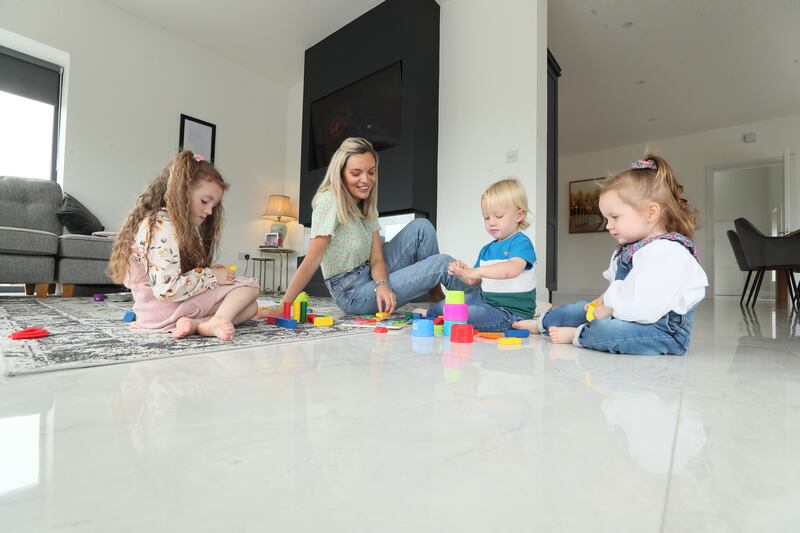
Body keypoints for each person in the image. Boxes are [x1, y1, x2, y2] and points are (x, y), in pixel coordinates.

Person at [513, 154, 708, 355]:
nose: (608, 225)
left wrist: (609, 310)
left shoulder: (668, 252)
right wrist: (600, 301)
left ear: (651, 213)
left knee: (607, 329)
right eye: (607, 218)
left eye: (615, 217)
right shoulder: (630, 249)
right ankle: (542, 324)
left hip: (663, 331)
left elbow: (646, 309)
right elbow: (619, 288)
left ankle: (577, 335)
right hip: (626, 313)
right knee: (580, 308)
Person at [280, 137, 462, 315]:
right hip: (350, 293)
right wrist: (283, 306)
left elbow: (377, 259)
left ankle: (437, 300)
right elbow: (312, 260)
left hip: (369, 273)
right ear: (340, 172)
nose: (365, 180)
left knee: (422, 227)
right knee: (442, 263)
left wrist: (382, 285)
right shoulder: (330, 200)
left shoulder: (366, 205)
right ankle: (476, 306)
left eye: (371, 172)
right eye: (356, 173)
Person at [108, 150, 260, 341]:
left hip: (152, 312)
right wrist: (212, 276)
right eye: (205, 201)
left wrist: (208, 273)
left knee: (250, 307)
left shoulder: (163, 222)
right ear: (182, 192)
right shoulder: (162, 226)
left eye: (214, 205)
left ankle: (196, 323)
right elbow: (166, 289)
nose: (209, 211)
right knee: (249, 287)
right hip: (163, 309)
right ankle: (216, 320)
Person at [424, 178, 537, 332]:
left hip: (510, 313)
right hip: (484, 301)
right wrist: (463, 272)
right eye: (486, 217)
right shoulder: (486, 249)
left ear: (519, 216)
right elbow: (473, 280)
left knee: (460, 315)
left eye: (498, 216)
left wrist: (476, 271)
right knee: (444, 307)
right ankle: (430, 314)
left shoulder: (521, 242)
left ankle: (440, 317)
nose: (491, 222)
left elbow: (512, 269)